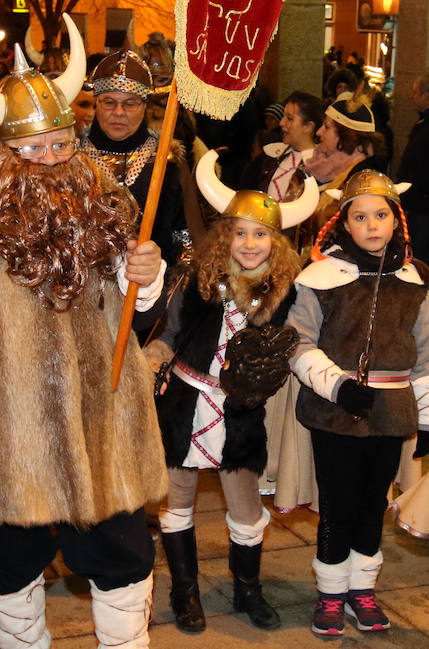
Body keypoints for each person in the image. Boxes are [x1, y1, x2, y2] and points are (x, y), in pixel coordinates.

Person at [0, 16, 168, 648]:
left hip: (103, 424)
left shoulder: (109, 206)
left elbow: (138, 318)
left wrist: (149, 274)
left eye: (60, 145)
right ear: (1, 151)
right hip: (7, 435)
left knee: (123, 556)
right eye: (33, 149)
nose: (50, 160)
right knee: (8, 564)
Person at [145, 150, 318, 634]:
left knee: (245, 506)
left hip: (241, 413)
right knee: (176, 501)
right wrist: (148, 363)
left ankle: (248, 590)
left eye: (260, 234)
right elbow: (169, 334)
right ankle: (185, 593)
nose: (249, 243)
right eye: (239, 232)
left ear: (275, 241)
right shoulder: (197, 280)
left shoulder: (286, 292)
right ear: (224, 236)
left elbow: (295, 346)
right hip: (185, 405)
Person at [287, 169, 429, 636]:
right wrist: (335, 385)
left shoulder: (415, 282)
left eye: (381, 215)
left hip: (391, 413)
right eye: (360, 216)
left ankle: (361, 590)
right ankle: (331, 594)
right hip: (335, 410)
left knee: (374, 503)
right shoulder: (320, 278)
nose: (372, 225)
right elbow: (297, 342)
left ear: (397, 220)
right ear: (343, 224)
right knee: (338, 503)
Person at [82, 49, 187, 267]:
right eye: (109, 102)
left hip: (150, 289)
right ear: (96, 104)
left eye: (130, 103)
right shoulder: (73, 161)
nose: (119, 112)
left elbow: (184, 241)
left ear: (144, 107)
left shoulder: (165, 164)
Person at [306, 90, 386, 231]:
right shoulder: (321, 165)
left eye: (327, 127)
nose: (319, 132)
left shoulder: (361, 178)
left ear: (346, 136)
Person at [396, 74, 429, 301]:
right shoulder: (425, 123)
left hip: (426, 207)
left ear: (425, 94)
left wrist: (417, 190)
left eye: (414, 91)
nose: (411, 96)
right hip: (421, 204)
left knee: (424, 257)